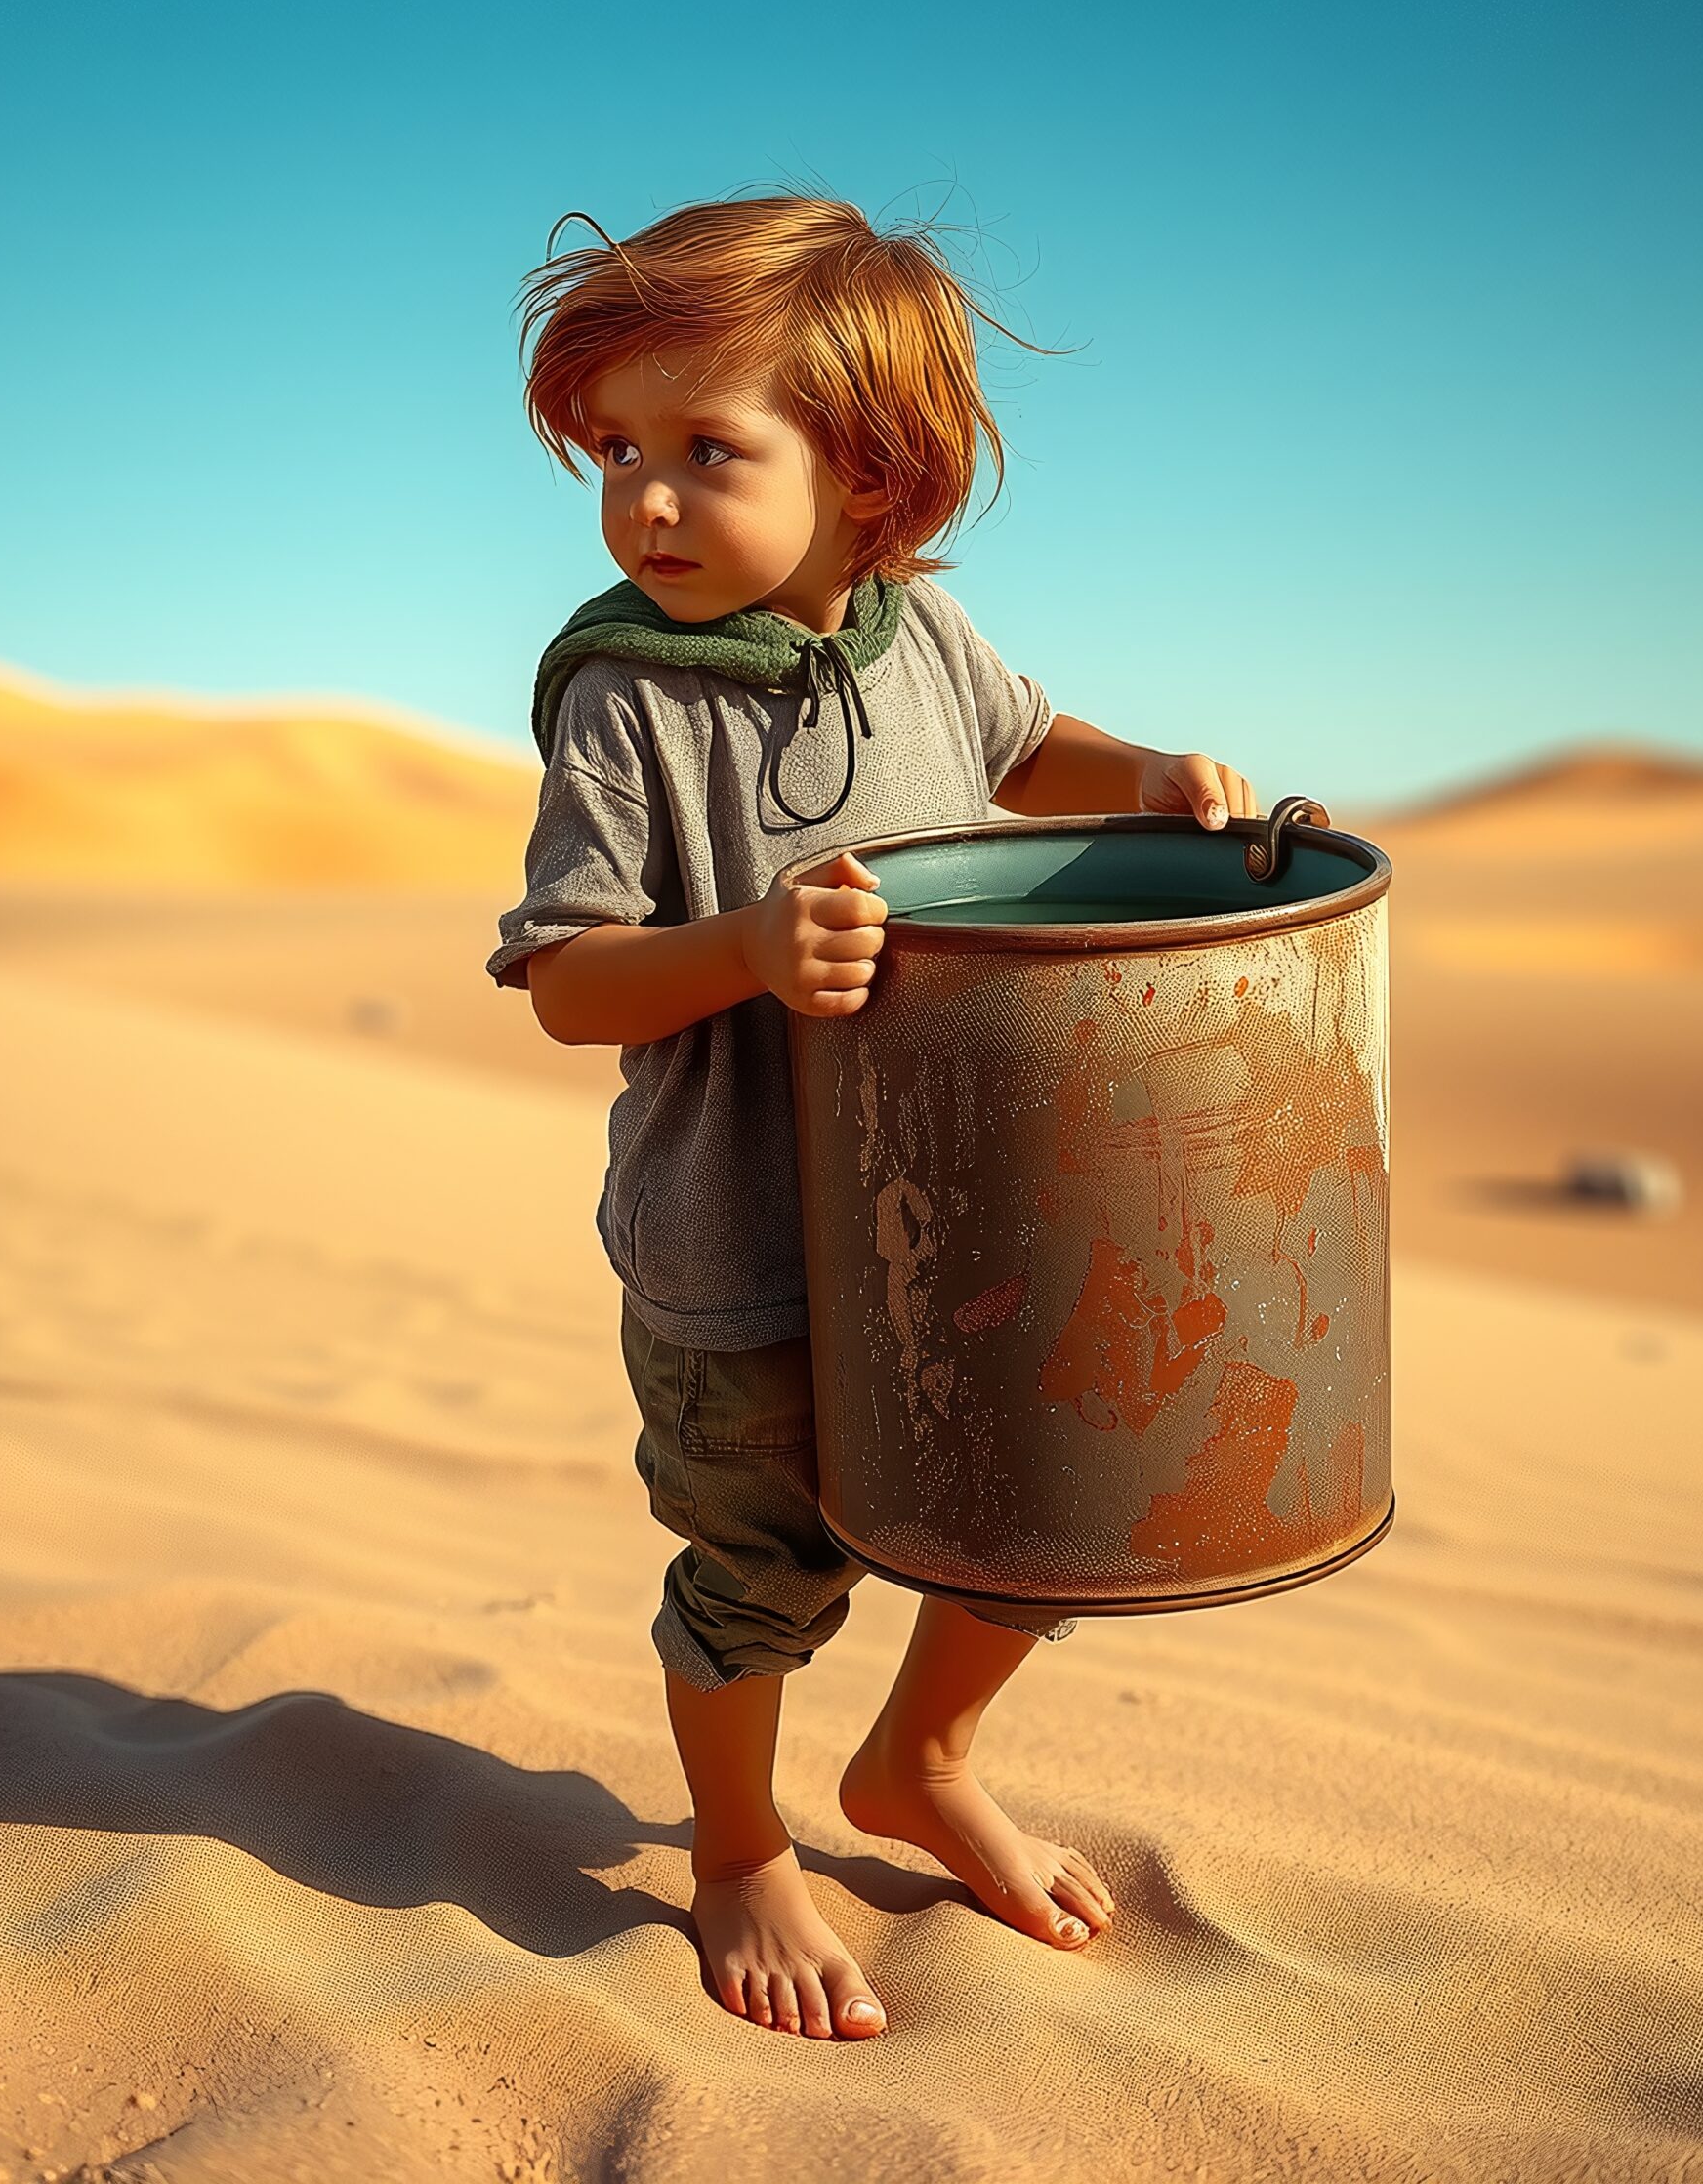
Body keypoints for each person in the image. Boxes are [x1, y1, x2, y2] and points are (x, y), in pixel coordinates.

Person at [489, 196, 1260, 2041]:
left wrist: (1140, 771)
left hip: (965, 1214)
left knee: (1033, 1508)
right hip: (741, 1244)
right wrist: (744, 946)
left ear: (871, 485)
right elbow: (569, 975)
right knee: (757, 1571)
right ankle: (740, 1840)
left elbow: (1023, 744)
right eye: (618, 453)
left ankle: (920, 1757)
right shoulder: (624, 698)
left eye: (704, 453)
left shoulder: (925, 638)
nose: (644, 502)